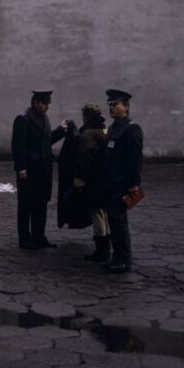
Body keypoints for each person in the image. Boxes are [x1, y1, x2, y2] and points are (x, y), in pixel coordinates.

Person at [11, 90, 69, 249]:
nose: (47, 107)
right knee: (26, 205)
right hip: (29, 169)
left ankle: (39, 237)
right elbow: (18, 145)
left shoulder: (44, 118)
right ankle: (25, 240)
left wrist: (61, 130)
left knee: (41, 203)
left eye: (48, 103)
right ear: (36, 102)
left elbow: (46, 141)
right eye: (45, 103)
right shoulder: (23, 118)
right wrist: (21, 167)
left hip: (44, 169)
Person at [104, 89, 144, 273]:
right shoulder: (113, 127)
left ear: (126, 107)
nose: (111, 108)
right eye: (110, 105)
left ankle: (123, 260)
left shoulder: (132, 128)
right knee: (113, 221)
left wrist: (134, 184)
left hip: (122, 184)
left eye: (115, 104)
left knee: (119, 222)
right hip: (111, 183)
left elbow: (135, 160)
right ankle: (117, 256)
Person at [73, 104, 111, 262]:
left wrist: (79, 179)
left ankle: (101, 251)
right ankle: (106, 248)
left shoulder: (88, 134)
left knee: (96, 214)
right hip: (105, 179)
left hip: (93, 181)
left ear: (86, 117)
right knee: (104, 214)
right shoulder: (104, 130)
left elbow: (84, 158)